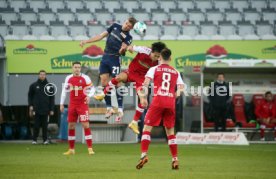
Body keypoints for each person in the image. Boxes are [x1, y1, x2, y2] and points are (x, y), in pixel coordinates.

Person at [94, 42, 167, 134]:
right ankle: (103, 94)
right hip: (131, 72)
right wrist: (125, 48)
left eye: (158, 56)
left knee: (144, 102)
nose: (156, 58)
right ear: (151, 51)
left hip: (141, 79)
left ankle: (134, 122)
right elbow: (130, 48)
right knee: (118, 77)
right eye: (155, 55)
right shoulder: (144, 50)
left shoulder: (159, 61)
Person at [135, 48, 185, 170]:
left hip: (158, 100)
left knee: (147, 129)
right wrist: (174, 96)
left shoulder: (154, 69)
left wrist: (143, 98)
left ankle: (143, 155)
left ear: (159, 58)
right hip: (170, 102)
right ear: (170, 58)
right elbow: (181, 89)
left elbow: (145, 84)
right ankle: (175, 159)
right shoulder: (176, 71)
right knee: (170, 133)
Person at [80, 17, 137, 121]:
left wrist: (122, 50)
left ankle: (120, 108)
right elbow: (101, 36)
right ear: (125, 21)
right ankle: (109, 108)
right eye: (127, 23)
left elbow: (123, 52)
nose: (127, 26)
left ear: (131, 28)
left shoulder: (128, 37)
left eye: (129, 26)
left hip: (115, 59)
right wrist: (86, 41)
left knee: (117, 82)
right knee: (104, 83)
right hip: (105, 57)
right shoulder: (115, 26)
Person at [60, 61, 96, 155]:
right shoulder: (68, 78)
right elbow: (64, 92)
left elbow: (93, 89)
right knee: (71, 126)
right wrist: (61, 104)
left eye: (78, 67)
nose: (77, 69)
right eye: (75, 67)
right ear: (72, 68)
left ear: (80, 68)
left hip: (82, 105)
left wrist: (89, 96)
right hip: (72, 105)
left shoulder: (85, 78)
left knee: (85, 125)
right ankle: (71, 149)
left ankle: (90, 148)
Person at [28, 70, 55, 145]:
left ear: (45, 75)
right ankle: (34, 140)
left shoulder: (49, 86)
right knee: (36, 125)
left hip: (46, 109)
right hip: (36, 109)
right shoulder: (33, 85)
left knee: (45, 125)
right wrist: (30, 105)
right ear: (38, 75)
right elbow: (30, 96)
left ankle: (45, 140)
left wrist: (52, 109)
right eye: (41, 74)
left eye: (43, 74)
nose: (42, 76)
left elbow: (52, 98)